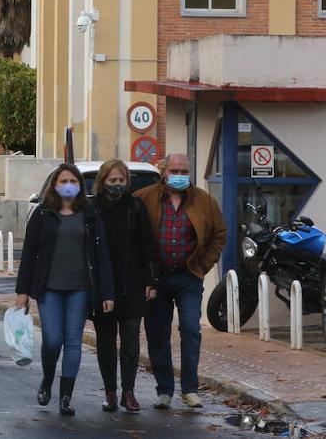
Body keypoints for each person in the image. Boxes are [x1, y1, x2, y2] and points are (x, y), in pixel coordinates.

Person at [15, 163, 115, 417]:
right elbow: (28, 254)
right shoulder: (42, 214)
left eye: (73, 181)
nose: (68, 185)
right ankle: (48, 379)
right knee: (52, 340)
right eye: (63, 181)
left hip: (80, 289)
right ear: (55, 185)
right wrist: (22, 292)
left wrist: (107, 293)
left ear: (80, 186)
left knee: (73, 343)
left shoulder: (90, 215)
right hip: (49, 288)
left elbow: (101, 256)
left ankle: (66, 397)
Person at [137, 152, 226, 410]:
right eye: (174, 171)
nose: (179, 176)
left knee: (190, 329)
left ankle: (190, 389)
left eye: (184, 171)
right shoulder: (146, 198)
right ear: (164, 172)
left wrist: (202, 265)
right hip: (156, 278)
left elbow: (219, 234)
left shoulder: (204, 201)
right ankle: (164, 390)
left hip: (188, 276)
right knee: (157, 333)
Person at [92, 159, 159, 413]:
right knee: (106, 340)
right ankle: (110, 390)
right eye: (112, 181)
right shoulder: (93, 208)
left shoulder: (136, 206)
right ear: (103, 181)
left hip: (133, 282)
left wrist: (152, 280)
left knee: (131, 340)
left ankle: (128, 391)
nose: (117, 185)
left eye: (121, 180)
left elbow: (148, 244)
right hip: (103, 285)